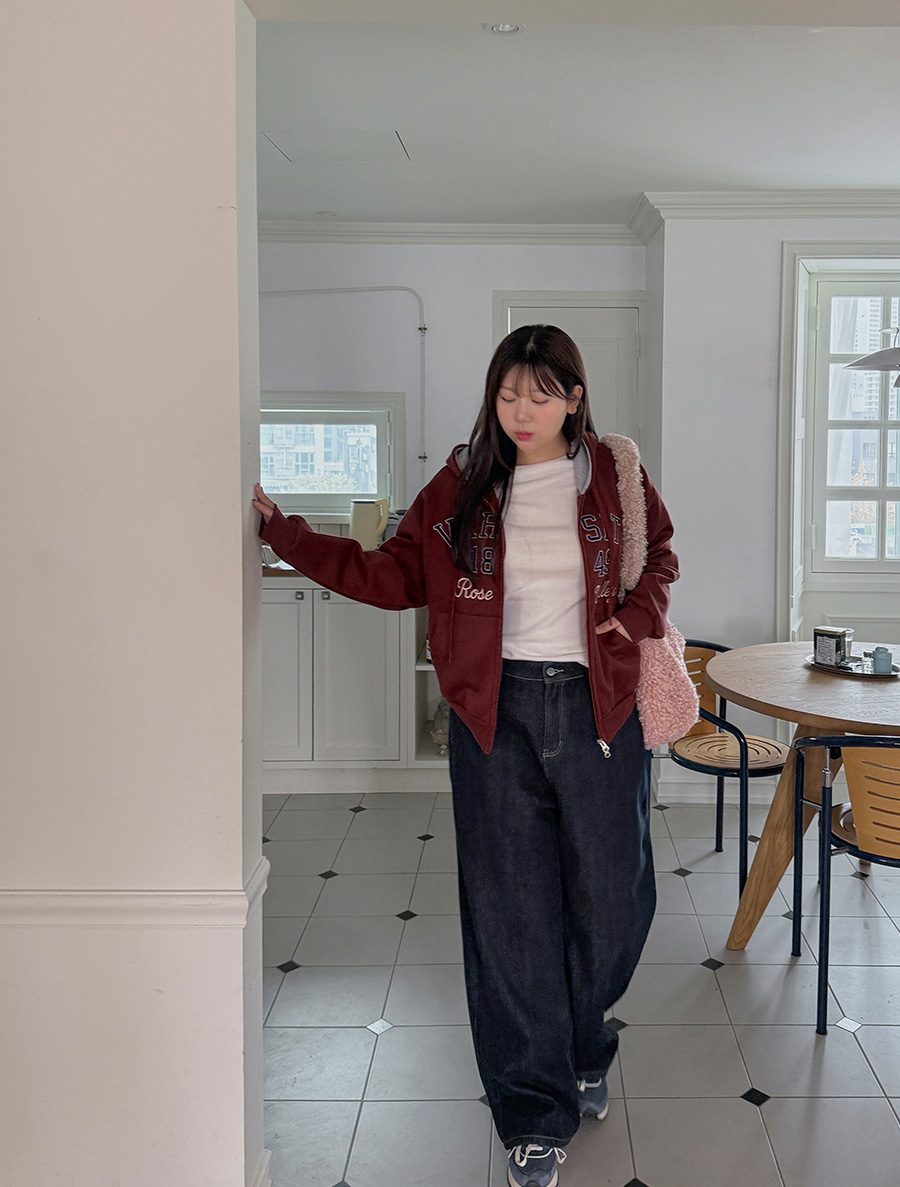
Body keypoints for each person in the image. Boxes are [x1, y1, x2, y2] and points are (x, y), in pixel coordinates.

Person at [252, 324, 679, 1187]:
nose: (521, 411)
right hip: (495, 716)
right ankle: (533, 1109)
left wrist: (631, 620)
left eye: (540, 395)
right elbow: (391, 573)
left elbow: (660, 559)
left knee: (613, 902)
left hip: (599, 709)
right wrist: (285, 534)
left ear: (574, 398)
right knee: (511, 916)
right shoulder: (462, 483)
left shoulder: (615, 474)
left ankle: (583, 1042)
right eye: (507, 393)